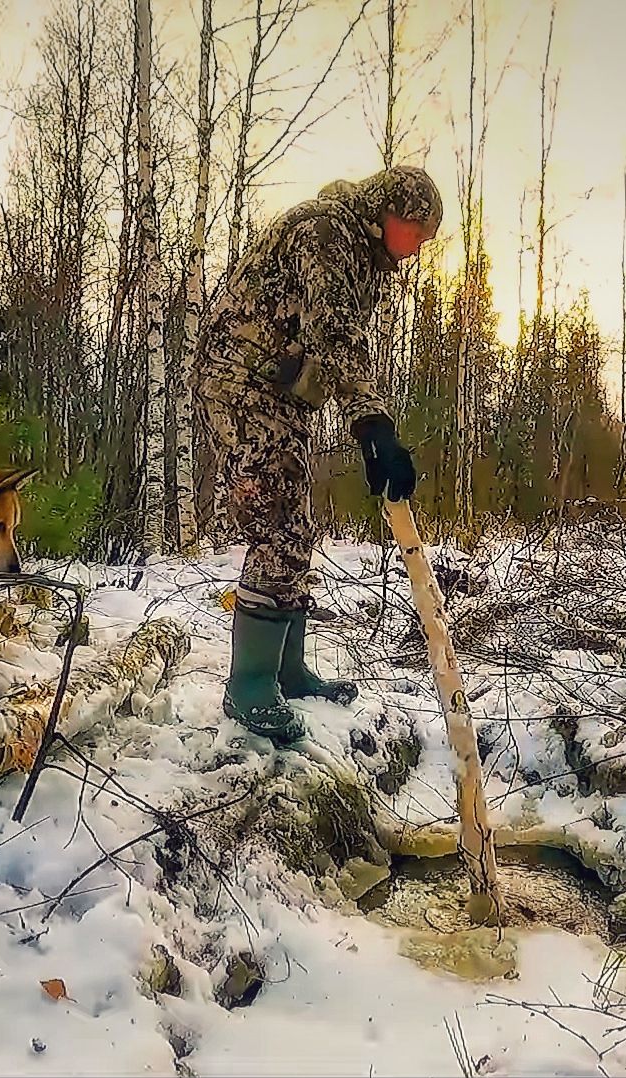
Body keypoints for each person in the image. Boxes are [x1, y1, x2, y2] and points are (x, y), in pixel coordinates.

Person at [198, 165, 443, 744]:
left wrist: (371, 423)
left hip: (277, 391)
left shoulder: (362, 253)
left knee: (299, 525)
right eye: (414, 232)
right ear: (386, 215)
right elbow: (335, 338)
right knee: (277, 524)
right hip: (239, 382)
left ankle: (287, 667)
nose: (417, 248)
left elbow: (336, 344)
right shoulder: (328, 234)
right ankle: (250, 686)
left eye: (425, 238)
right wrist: (373, 427)